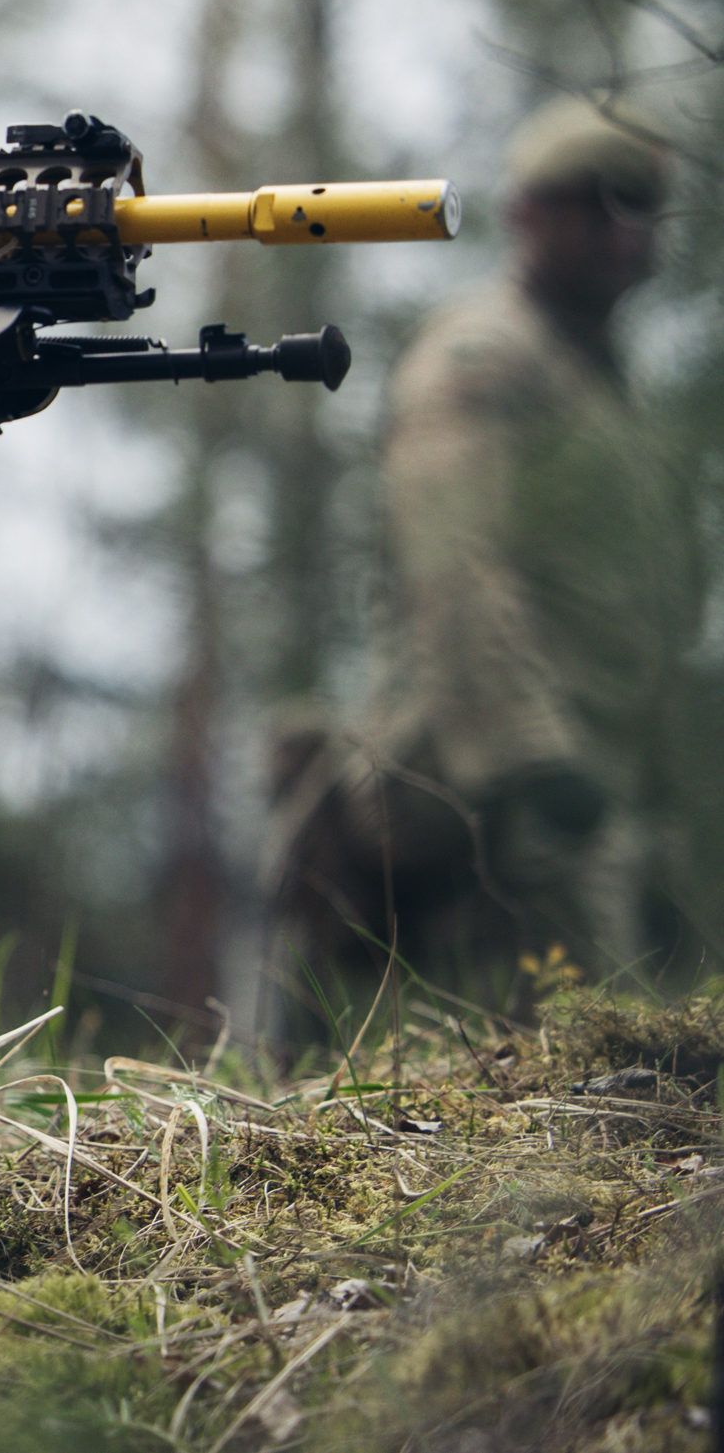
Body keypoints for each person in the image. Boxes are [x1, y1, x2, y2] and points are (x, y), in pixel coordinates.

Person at [273, 97, 697, 1008]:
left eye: (648, 207)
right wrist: (532, 763)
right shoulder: (482, 356)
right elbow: (456, 567)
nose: (636, 232)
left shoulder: (598, 377)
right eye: (608, 201)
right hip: (494, 786)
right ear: (530, 213)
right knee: (595, 1074)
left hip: (594, 778)